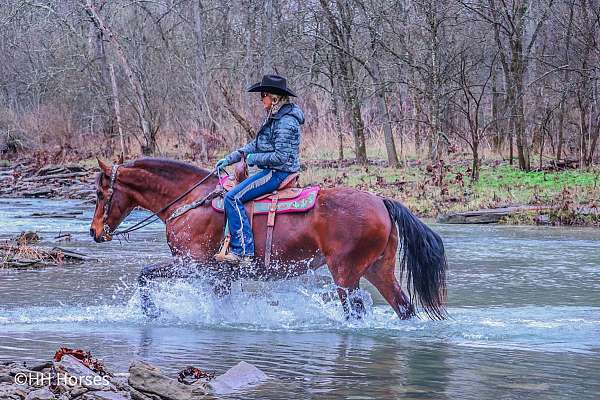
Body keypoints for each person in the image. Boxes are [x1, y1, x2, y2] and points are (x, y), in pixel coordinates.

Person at [214, 74, 304, 264]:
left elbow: (281, 157)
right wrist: (230, 159)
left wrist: (254, 159)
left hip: (278, 172)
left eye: (263, 94)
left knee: (233, 197)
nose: (261, 99)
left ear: (274, 97)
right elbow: (255, 145)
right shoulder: (275, 117)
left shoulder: (286, 121)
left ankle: (242, 251)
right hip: (272, 169)